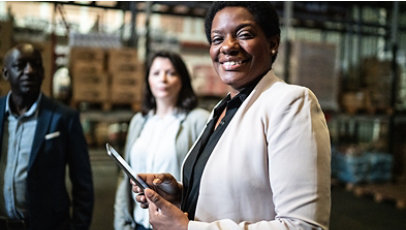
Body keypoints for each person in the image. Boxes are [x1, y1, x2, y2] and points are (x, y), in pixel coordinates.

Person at [132, 2, 331, 230]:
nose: (228, 46)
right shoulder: (223, 110)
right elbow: (238, 197)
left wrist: (187, 228)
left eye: (244, 34)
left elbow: (303, 226)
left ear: (273, 43)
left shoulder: (291, 103)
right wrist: (180, 196)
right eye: (217, 39)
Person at [0, 43, 94, 230]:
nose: (29, 71)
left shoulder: (64, 118)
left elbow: (82, 183)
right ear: (5, 73)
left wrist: (78, 226)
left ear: (43, 72)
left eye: (36, 65)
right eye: (20, 65)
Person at [114, 50, 210, 230]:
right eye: (156, 73)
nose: (163, 79)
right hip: (138, 224)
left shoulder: (198, 120)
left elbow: (205, 180)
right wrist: (121, 223)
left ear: (182, 80)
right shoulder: (139, 121)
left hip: (174, 225)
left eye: (171, 73)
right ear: (148, 80)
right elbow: (124, 177)